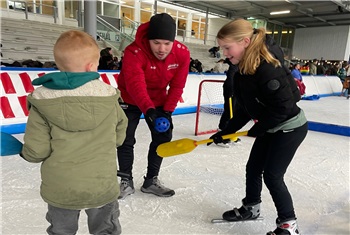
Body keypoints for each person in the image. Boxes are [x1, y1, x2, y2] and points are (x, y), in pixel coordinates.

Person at [20, 30, 128, 235]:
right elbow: (120, 136)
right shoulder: (108, 98)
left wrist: (25, 152)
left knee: (61, 231)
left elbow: (37, 151)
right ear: (91, 66)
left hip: (62, 188)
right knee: (105, 229)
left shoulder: (43, 102)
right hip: (100, 184)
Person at [208, 19, 308, 235]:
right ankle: (251, 207)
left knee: (272, 175)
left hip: (290, 127)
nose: (224, 53)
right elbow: (245, 109)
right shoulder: (244, 69)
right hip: (271, 126)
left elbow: (285, 107)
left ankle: (288, 225)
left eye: (227, 47)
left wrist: (260, 128)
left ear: (245, 42)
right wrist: (226, 131)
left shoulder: (267, 67)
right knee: (253, 168)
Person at [116, 13, 190, 199]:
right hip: (130, 97)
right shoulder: (134, 52)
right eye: (156, 42)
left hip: (158, 99)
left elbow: (177, 86)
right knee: (125, 138)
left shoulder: (182, 53)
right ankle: (126, 180)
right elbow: (135, 85)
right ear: (149, 39)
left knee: (163, 136)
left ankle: (151, 180)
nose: (162, 48)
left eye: (167, 43)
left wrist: (167, 112)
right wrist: (149, 111)